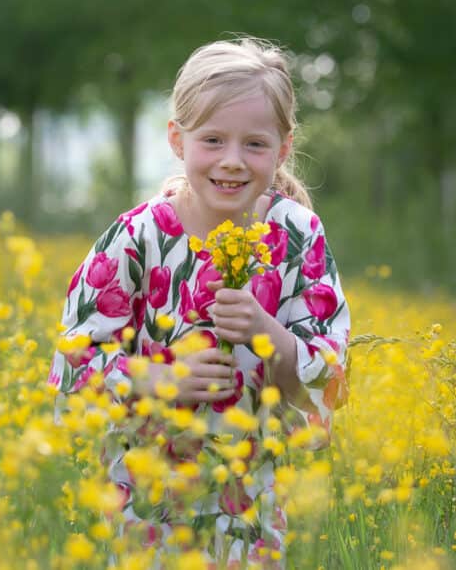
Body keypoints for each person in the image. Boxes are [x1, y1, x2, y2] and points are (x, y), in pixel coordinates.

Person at [48, 37, 350, 567]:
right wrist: (154, 380)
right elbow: (71, 370)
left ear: (283, 148)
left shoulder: (297, 235)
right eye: (212, 140)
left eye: (255, 145)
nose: (232, 162)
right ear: (177, 139)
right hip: (144, 503)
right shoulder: (136, 238)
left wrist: (267, 331)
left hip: (249, 504)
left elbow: (330, 377)